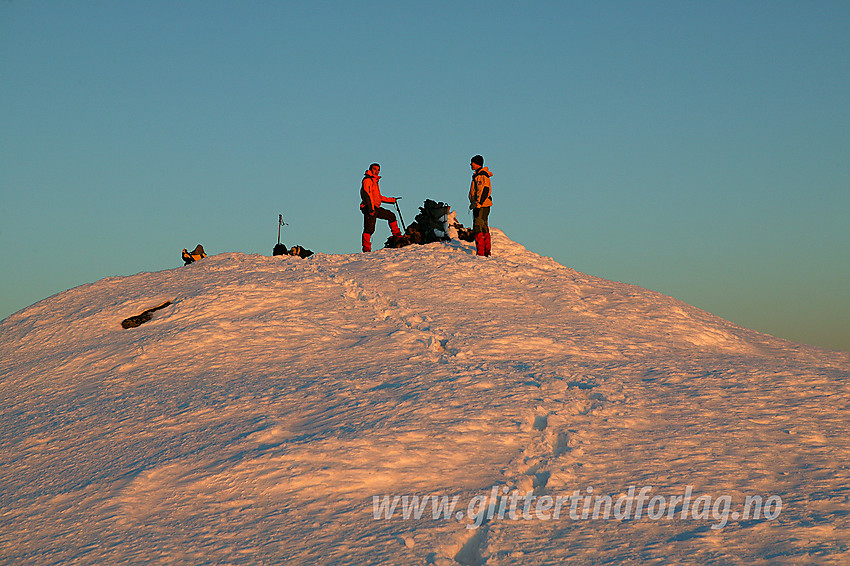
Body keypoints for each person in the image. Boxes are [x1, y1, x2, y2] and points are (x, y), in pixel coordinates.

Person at [360, 163, 401, 252]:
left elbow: (378, 197)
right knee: (369, 228)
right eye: (375, 169)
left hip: (375, 207)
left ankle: (397, 235)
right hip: (369, 207)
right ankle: (366, 248)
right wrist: (371, 209)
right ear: (370, 169)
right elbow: (367, 195)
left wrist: (392, 200)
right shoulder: (368, 180)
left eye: (378, 170)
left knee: (391, 216)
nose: (377, 171)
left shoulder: (374, 181)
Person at [469, 155, 492, 256]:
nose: (471, 164)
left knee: (478, 226)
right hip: (482, 204)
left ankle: (481, 252)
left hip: (481, 205)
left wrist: (478, 204)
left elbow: (484, 190)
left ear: (477, 163)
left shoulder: (481, 175)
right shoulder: (478, 175)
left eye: (472, 162)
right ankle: (486, 251)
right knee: (483, 226)